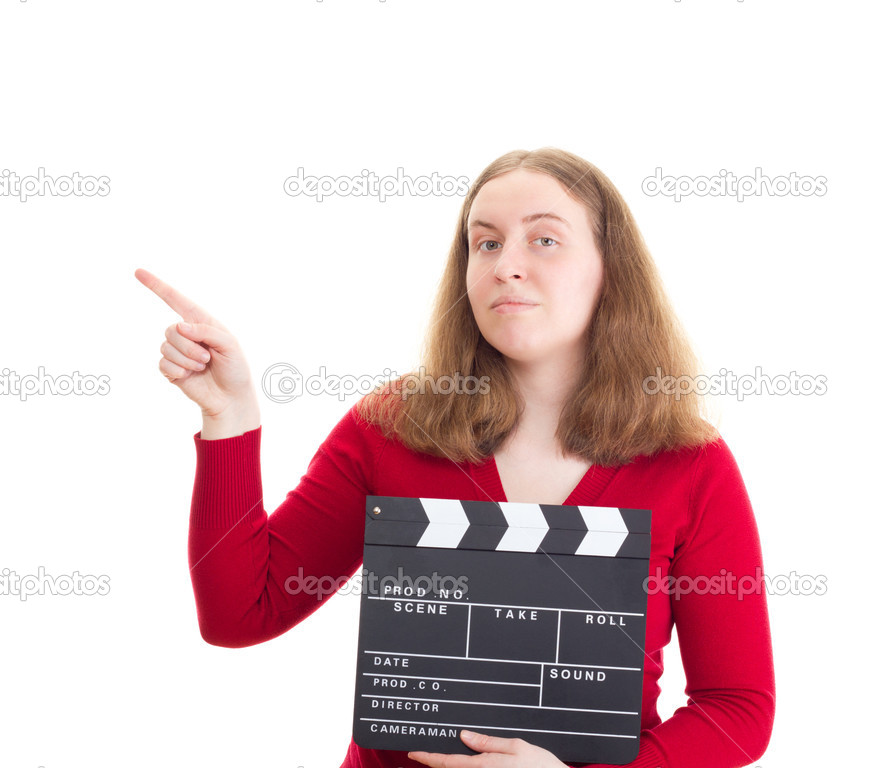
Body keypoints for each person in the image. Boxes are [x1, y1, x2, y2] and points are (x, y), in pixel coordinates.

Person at [135, 147, 775, 768]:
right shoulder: (391, 428)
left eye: (544, 240)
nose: (506, 265)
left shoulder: (691, 464)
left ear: (610, 267)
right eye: (486, 242)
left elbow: (739, 706)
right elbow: (240, 614)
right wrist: (229, 417)